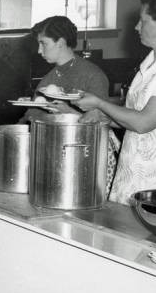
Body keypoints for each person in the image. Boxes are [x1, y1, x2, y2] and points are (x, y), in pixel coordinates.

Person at [73, 0, 156, 205]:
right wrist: (102, 116)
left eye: (143, 21)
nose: (136, 27)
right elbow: (131, 117)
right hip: (131, 171)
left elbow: (143, 123)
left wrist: (100, 103)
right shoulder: (149, 65)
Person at [19, 16, 119, 193]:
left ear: (61, 42)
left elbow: (99, 126)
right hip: (53, 157)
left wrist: (67, 113)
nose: (39, 50)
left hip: (86, 160)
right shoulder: (48, 80)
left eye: (44, 44)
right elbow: (29, 119)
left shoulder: (92, 75)